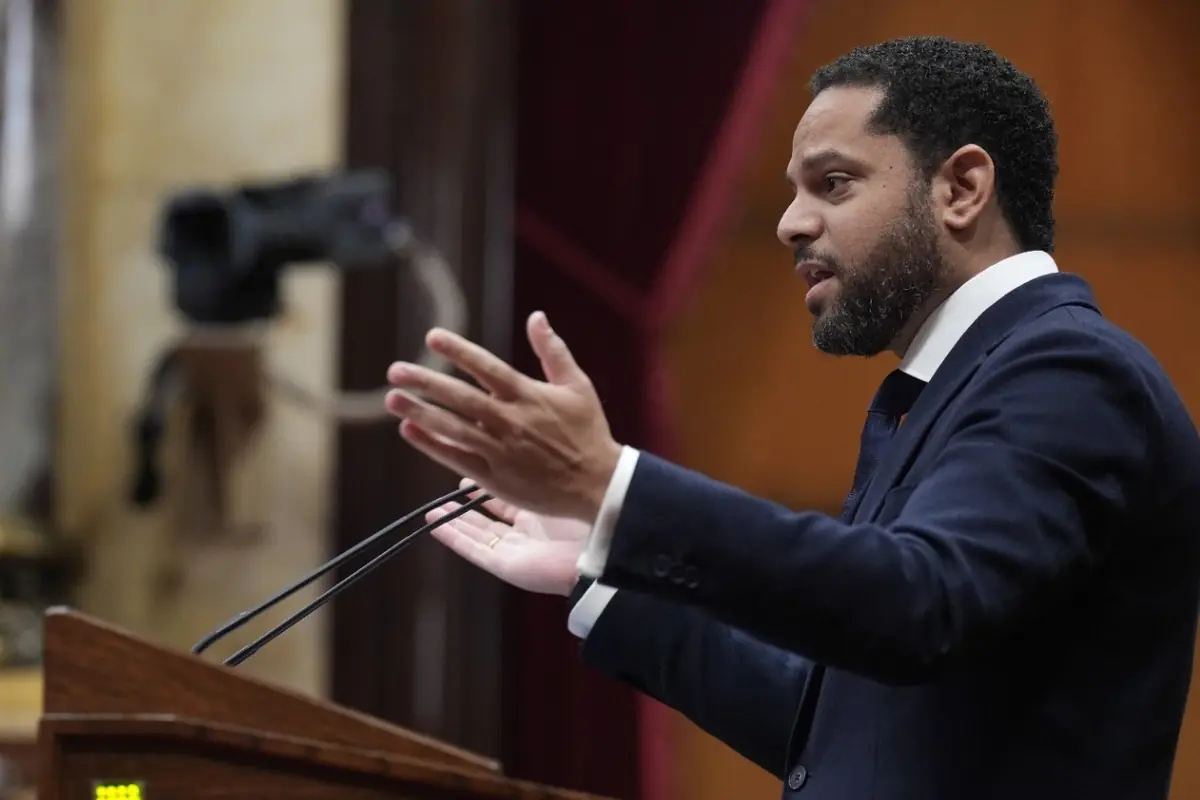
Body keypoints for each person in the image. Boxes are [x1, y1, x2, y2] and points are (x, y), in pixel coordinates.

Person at [382, 36, 1200, 799]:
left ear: (960, 188)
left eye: (833, 183)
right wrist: (601, 568)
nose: (790, 223)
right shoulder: (961, 384)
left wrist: (619, 490)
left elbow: (918, 601)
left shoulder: (1070, 373)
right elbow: (839, 734)